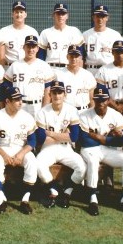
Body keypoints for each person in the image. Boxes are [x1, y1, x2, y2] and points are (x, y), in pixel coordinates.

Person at [79, 85, 123, 216]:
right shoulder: (84, 115)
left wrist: (99, 137)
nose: (101, 103)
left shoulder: (115, 115)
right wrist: (108, 138)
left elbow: (121, 141)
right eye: (98, 100)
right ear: (93, 100)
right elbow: (84, 140)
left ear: (108, 100)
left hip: (106, 150)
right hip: (89, 149)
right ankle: (92, 199)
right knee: (93, 161)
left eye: (103, 100)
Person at [35, 80, 86, 209]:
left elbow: (74, 136)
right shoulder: (43, 112)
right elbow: (40, 139)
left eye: (60, 92)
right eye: (54, 92)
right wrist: (64, 135)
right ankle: (54, 190)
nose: (57, 96)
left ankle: (67, 192)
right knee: (39, 165)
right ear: (50, 94)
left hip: (65, 148)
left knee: (82, 167)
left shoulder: (71, 110)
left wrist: (50, 134)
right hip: (48, 148)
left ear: (64, 94)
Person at [0, 86, 37, 215]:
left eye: (20, 99)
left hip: (20, 149)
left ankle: (25, 200)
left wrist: (21, 154)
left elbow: (32, 141)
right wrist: (4, 155)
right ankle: (1, 199)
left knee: (31, 161)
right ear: (7, 101)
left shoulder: (27, 117)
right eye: (16, 99)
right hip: (1, 148)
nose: (20, 102)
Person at [3, 35, 54, 118]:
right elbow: (7, 86)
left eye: (33, 47)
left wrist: (44, 109)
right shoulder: (15, 65)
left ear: (37, 48)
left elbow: (47, 89)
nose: (31, 50)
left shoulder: (44, 66)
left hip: (37, 105)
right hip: (19, 105)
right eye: (28, 47)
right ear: (24, 47)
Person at [39, 3, 84, 73]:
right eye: (58, 14)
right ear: (53, 16)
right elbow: (40, 56)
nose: (60, 16)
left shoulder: (75, 31)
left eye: (63, 14)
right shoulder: (45, 33)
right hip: (50, 68)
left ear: (67, 16)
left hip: (68, 69)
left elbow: (80, 55)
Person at [82, 5, 123, 76]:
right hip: (91, 70)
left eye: (103, 16)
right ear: (93, 17)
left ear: (107, 18)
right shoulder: (85, 35)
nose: (100, 19)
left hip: (109, 69)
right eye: (98, 16)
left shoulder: (115, 35)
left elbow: (122, 54)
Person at [0, 1, 38, 67]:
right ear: (12, 14)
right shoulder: (3, 31)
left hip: (27, 66)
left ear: (25, 14)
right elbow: (1, 57)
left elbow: (35, 54)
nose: (19, 15)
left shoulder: (32, 32)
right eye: (16, 12)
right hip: (9, 67)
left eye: (21, 12)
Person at [56, 44, 96, 111]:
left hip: (84, 111)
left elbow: (91, 99)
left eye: (76, 56)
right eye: (71, 56)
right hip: (66, 111)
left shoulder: (88, 75)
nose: (74, 59)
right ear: (67, 57)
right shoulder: (58, 74)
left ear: (80, 57)